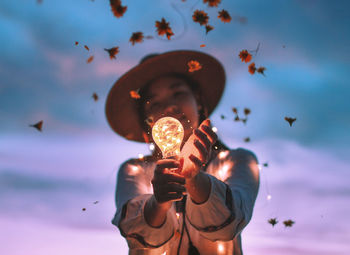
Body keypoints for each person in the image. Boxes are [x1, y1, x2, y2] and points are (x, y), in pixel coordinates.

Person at [106, 50, 260, 255]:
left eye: (178, 93)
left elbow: (227, 225)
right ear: (147, 127)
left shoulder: (239, 161)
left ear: (199, 104)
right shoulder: (134, 170)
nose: (170, 107)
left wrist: (194, 179)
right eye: (155, 103)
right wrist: (158, 203)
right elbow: (137, 233)